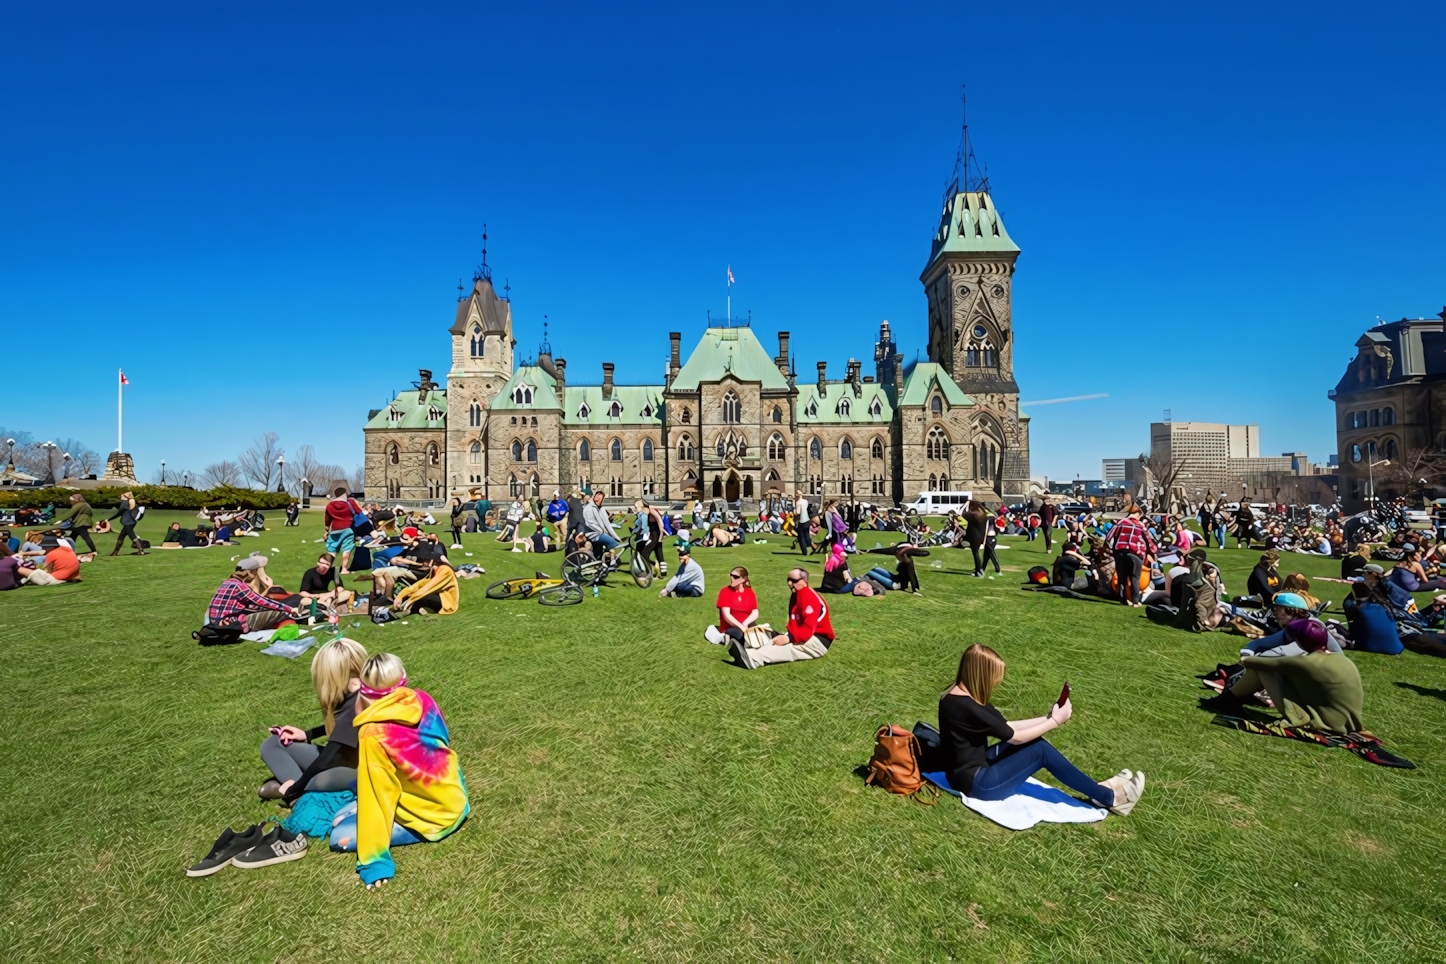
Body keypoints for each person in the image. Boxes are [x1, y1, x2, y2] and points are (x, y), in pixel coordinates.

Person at [937, 644, 1143, 814]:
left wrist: (1048, 718)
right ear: (981, 675)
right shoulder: (971, 707)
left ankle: (1097, 790)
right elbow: (1015, 737)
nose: (995, 683)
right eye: (994, 678)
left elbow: (1007, 728)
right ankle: (1111, 798)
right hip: (978, 785)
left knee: (1035, 743)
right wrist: (1055, 722)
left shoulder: (955, 697)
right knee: (1040, 750)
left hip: (963, 774)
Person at [329, 653, 470, 889]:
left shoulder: (373, 734)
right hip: (455, 798)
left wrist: (374, 861)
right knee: (344, 815)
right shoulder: (422, 698)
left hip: (435, 819)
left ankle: (411, 828)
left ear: (363, 691)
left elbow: (377, 794)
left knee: (338, 833)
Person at [259, 637, 368, 803]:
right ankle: (300, 789)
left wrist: (294, 790)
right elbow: (345, 730)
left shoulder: (356, 703)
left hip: (359, 773)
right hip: (349, 760)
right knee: (274, 742)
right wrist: (308, 734)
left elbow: (328, 757)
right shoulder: (370, 688)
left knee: (315, 778)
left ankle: (300, 799)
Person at [1228, 620, 1365, 734]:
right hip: (1350, 723)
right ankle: (1230, 700)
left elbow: (1251, 662)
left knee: (1265, 669)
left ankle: (1228, 700)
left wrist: (1246, 657)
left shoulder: (1305, 662)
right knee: (1276, 669)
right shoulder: (1341, 659)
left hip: (1326, 724)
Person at [728, 568, 834, 669]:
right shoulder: (798, 594)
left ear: (804, 580)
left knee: (789, 648)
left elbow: (808, 627)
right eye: (788, 580)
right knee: (774, 638)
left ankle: (753, 659)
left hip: (817, 641)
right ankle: (749, 647)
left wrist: (789, 638)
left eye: (794, 580)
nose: (789, 583)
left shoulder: (808, 596)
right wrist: (788, 636)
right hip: (805, 635)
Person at [207, 557, 302, 631]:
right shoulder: (239, 587)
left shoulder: (227, 583)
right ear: (251, 572)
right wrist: (289, 609)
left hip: (216, 622)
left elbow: (252, 604)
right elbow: (262, 601)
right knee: (281, 613)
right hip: (230, 625)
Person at [1106, 505, 1157, 607]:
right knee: (1135, 577)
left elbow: (1109, 536)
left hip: (1120, 552)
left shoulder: (1120, 523)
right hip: (1135, 553)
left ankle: (1122, 598)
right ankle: (1135, 601)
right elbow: (1149, 541)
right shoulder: (1140, 525)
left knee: (1122, 577)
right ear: (1138, 514)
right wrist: (1154, 551)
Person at [704, 565, 759, 645]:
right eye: (731, 575)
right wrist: (741, 627)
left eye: (736, 577)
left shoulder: (749, 592)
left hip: (747, 626)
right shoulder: (725, 591)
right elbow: (727, 615)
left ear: (744, 579)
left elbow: (755, 612)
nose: (732, 578)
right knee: (741, 636)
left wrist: (745, 624)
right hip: (730, 627)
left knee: (761, 634)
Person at [393, 557, 460, 615]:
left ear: (432, 561)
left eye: (426, 563)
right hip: (436, 596)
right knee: (411, 595)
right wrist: (400, 596)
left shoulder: (445, 570)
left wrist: (411, 600)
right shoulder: (433, 572)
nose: (426, 566)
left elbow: (428, 588)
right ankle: (418, 609)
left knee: (421, 597)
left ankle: (414, 608)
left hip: (446, 602)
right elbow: (416, 587)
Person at [323, 486, 361, 574]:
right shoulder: (350, 503)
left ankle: (327, 568)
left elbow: (327, 519)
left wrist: (327, 530)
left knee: (332, 549)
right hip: (348, 528)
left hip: (334, 529)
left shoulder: (330, 505)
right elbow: (359, 513)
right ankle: (344, 569)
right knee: (347, 548)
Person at [17, 536, 81, 586]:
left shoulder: (51, 554)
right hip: (74, 575)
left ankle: (21, 582)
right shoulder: (67, 549)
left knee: (36, 573)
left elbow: (47, 570)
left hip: (59, 577)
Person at [582, 490, 620, 557]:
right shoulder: (589, 508)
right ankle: (611, 561)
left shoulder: (601, 508)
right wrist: (602, 531)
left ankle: (602, 560)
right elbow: (590, 523)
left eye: (600, 497)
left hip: (599, 533)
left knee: (598, 552)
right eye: (597, 495)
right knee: (612, 543)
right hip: (593, 534)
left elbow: (606, 523)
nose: (598, 498)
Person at [107, 491, 145, 556]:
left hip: (128, 522)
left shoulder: (125, 503)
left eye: (122, 496)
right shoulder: (128, 503)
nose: (121, 496)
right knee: (121, 536)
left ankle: (141, 550)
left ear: (126, 497)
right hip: (131, 522)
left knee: (132, 536)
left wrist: (108, 519)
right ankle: (115, 552)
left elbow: (119, 513)